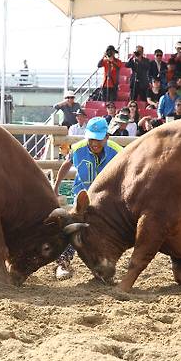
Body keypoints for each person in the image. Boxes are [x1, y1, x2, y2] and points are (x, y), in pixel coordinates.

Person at [52, 117, 122, 280]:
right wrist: (56, 186)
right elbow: (67, 164)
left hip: (107, 200)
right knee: (72, 228)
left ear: (106, 137)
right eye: (91, 138)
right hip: (82, 196)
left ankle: (101, 269)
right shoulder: (77, 148)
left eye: (98, 139)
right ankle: (63, 264)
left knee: (103, 233)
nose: (94, 143)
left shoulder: (118, 152)